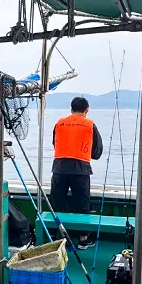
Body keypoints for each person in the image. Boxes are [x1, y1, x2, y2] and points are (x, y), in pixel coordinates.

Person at [50, 96, 104, 249]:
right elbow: (97, 152)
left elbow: (55, 143)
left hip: (59, 168)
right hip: (81, 169)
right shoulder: (90, 124)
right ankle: (83, 238)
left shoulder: (59, 123)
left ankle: (56, 237)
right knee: (82, 204)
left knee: (57, 202)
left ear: (71, 109)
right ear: (86, 110)